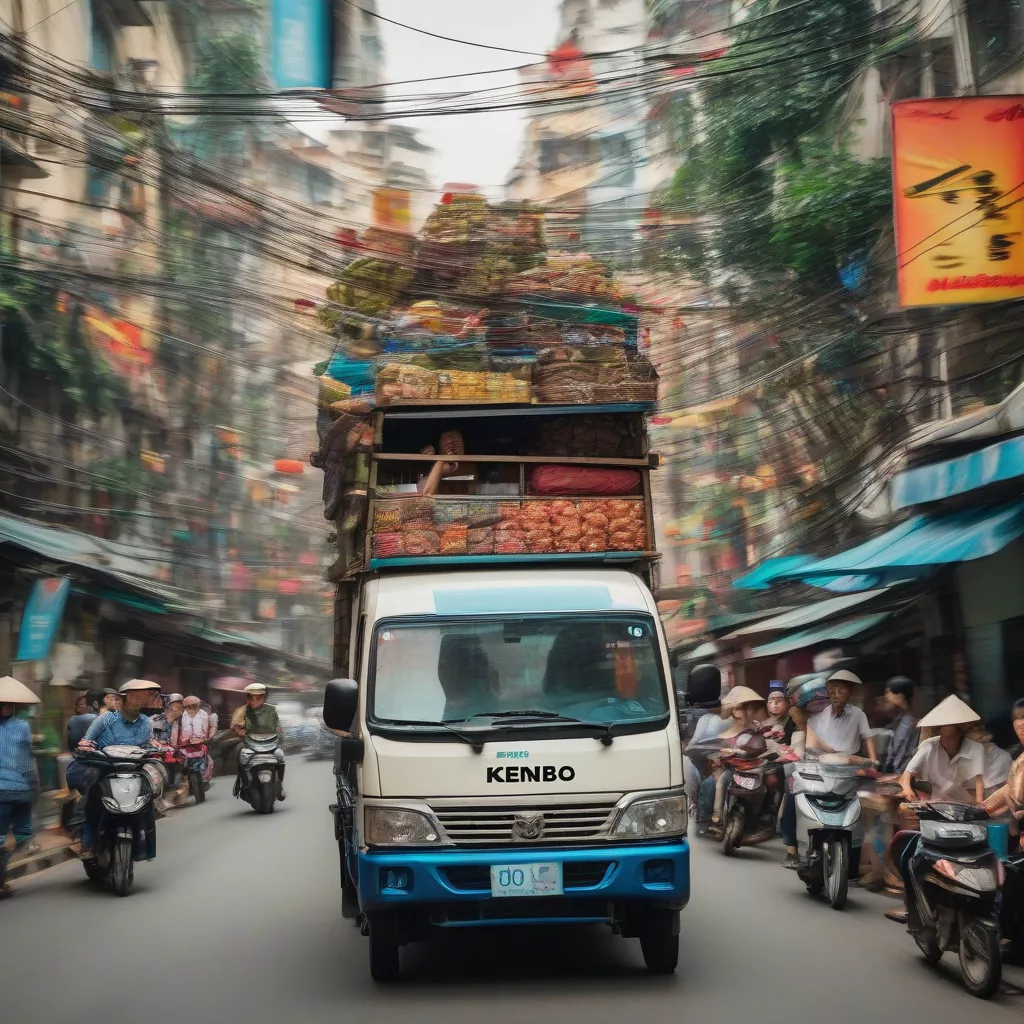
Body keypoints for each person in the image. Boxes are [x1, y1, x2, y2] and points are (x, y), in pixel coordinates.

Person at [77, 679, 159, 859]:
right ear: (122, 699)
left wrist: (159, 747)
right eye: (135, 696)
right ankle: (88, 844)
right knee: (94, 804)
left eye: (143, 696)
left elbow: (149, 743)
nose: (139, 700)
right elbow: (87, 739)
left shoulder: (146, 722)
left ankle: (144, 846)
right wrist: (85, 746)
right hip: (106, 769)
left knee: (148, 803)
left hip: (135, 771)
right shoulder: (105, 719)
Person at [696, 686, 768, 836]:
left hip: (754, 768)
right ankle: (712, 819)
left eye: (750, 708)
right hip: (729, 768)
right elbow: (713, 749)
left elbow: (765, 745)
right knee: (709, 785)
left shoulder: (759, 729)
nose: (747, 712)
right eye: (742, 709)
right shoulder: (723, 728)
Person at [899, 694, 986, 804]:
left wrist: (980, 806)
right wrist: (908, 791)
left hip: (965, 803)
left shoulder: (976, 748)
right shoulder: (929, 745)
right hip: (934, 802)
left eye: (949, 724)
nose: (944, 727)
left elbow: (979, 783)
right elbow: (905, 777)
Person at [0, 677, 41, 898]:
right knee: (23, 835)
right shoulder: (22, 726)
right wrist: (34, 784)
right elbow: (28, 759)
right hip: (17, 789)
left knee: (22, 836)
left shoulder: (22, 726)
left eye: (9, 703)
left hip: (18, 790)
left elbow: (26, 759)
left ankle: (2, 872)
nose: (7, 706)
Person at [806, 668, 878, 762]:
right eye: (832, 692)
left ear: (849, 693)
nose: (835, 696)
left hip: (850, 760)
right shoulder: (824, 714)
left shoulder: (858, 714)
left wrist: (873, 762)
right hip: (826, 759)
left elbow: (868, 738)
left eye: (840, 692)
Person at [231, 683, 284, 799]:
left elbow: (278, 726)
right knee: (238, 753)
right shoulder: (242, 711)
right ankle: (244, 783)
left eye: (258, 698)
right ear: (247, 699)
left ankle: (279, 784)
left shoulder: (271, 710)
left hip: (271, 743)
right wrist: (240, 731)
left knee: (281, 757)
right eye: (251, 698)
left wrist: (280, 734)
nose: (254, 701)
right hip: (250, 743)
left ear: (263, 698)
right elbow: (235, 727)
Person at [982, 697, 1024, 844]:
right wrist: (980, 810)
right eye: (1019, 718)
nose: (1022, 723)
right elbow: (1009, 790)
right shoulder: (1018, 758)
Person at [880, 676, 918, 775]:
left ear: (900, 696)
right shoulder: (899, 719)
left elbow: (901, 754)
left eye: (888, 692)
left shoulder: (908, 722)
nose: (885, 696)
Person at [178, 696, 214, 783]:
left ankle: (204, 779)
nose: (192, 708)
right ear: (185, 706)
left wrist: (204, 739)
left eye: (195, 705)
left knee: (207, 762)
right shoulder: (181, 715)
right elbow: (178, 729)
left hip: (200, 744)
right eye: (189, 706)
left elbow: (207, 730)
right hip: (184, 745)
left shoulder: (204, 714)